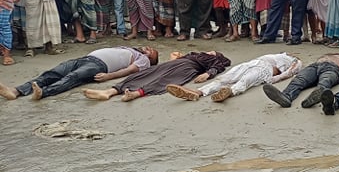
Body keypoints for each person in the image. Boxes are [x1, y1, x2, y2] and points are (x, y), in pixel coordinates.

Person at [0, 46, 158, 100]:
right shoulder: (130, 49)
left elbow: (129, 70)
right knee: (52, 73)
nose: (148, 49)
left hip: (100, 65)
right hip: (86, 58)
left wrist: (109, 76)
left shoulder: (143, 61)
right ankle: (16, 90)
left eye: (152, 52)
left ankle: (43, 93)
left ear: (151, 59)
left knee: (72, 78)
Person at [82, 51, 230, 102]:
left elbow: (219, 66)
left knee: (163, 81)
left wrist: (207, 73)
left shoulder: (213, 59)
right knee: (146, 73)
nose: (211, 51)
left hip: (188, 67)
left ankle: (135, 94)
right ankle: (110, 91)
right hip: (179, 62)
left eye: (214, 52)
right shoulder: (196, 53)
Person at [166, 52, 300, 102]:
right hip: (252, 62)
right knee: (225, 78)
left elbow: (287, 74)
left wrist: (273, 79)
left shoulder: (296, 62)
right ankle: (198, 92)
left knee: (246, 80)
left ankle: (231, 91)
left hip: (266, 70)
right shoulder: (280, 54)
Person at [261, 51, 339, 108]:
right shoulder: (330, 54)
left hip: (334, 68)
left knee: (325, 80)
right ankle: (286, 96)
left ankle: (317, 94)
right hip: (315, 66)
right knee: (299, 80)